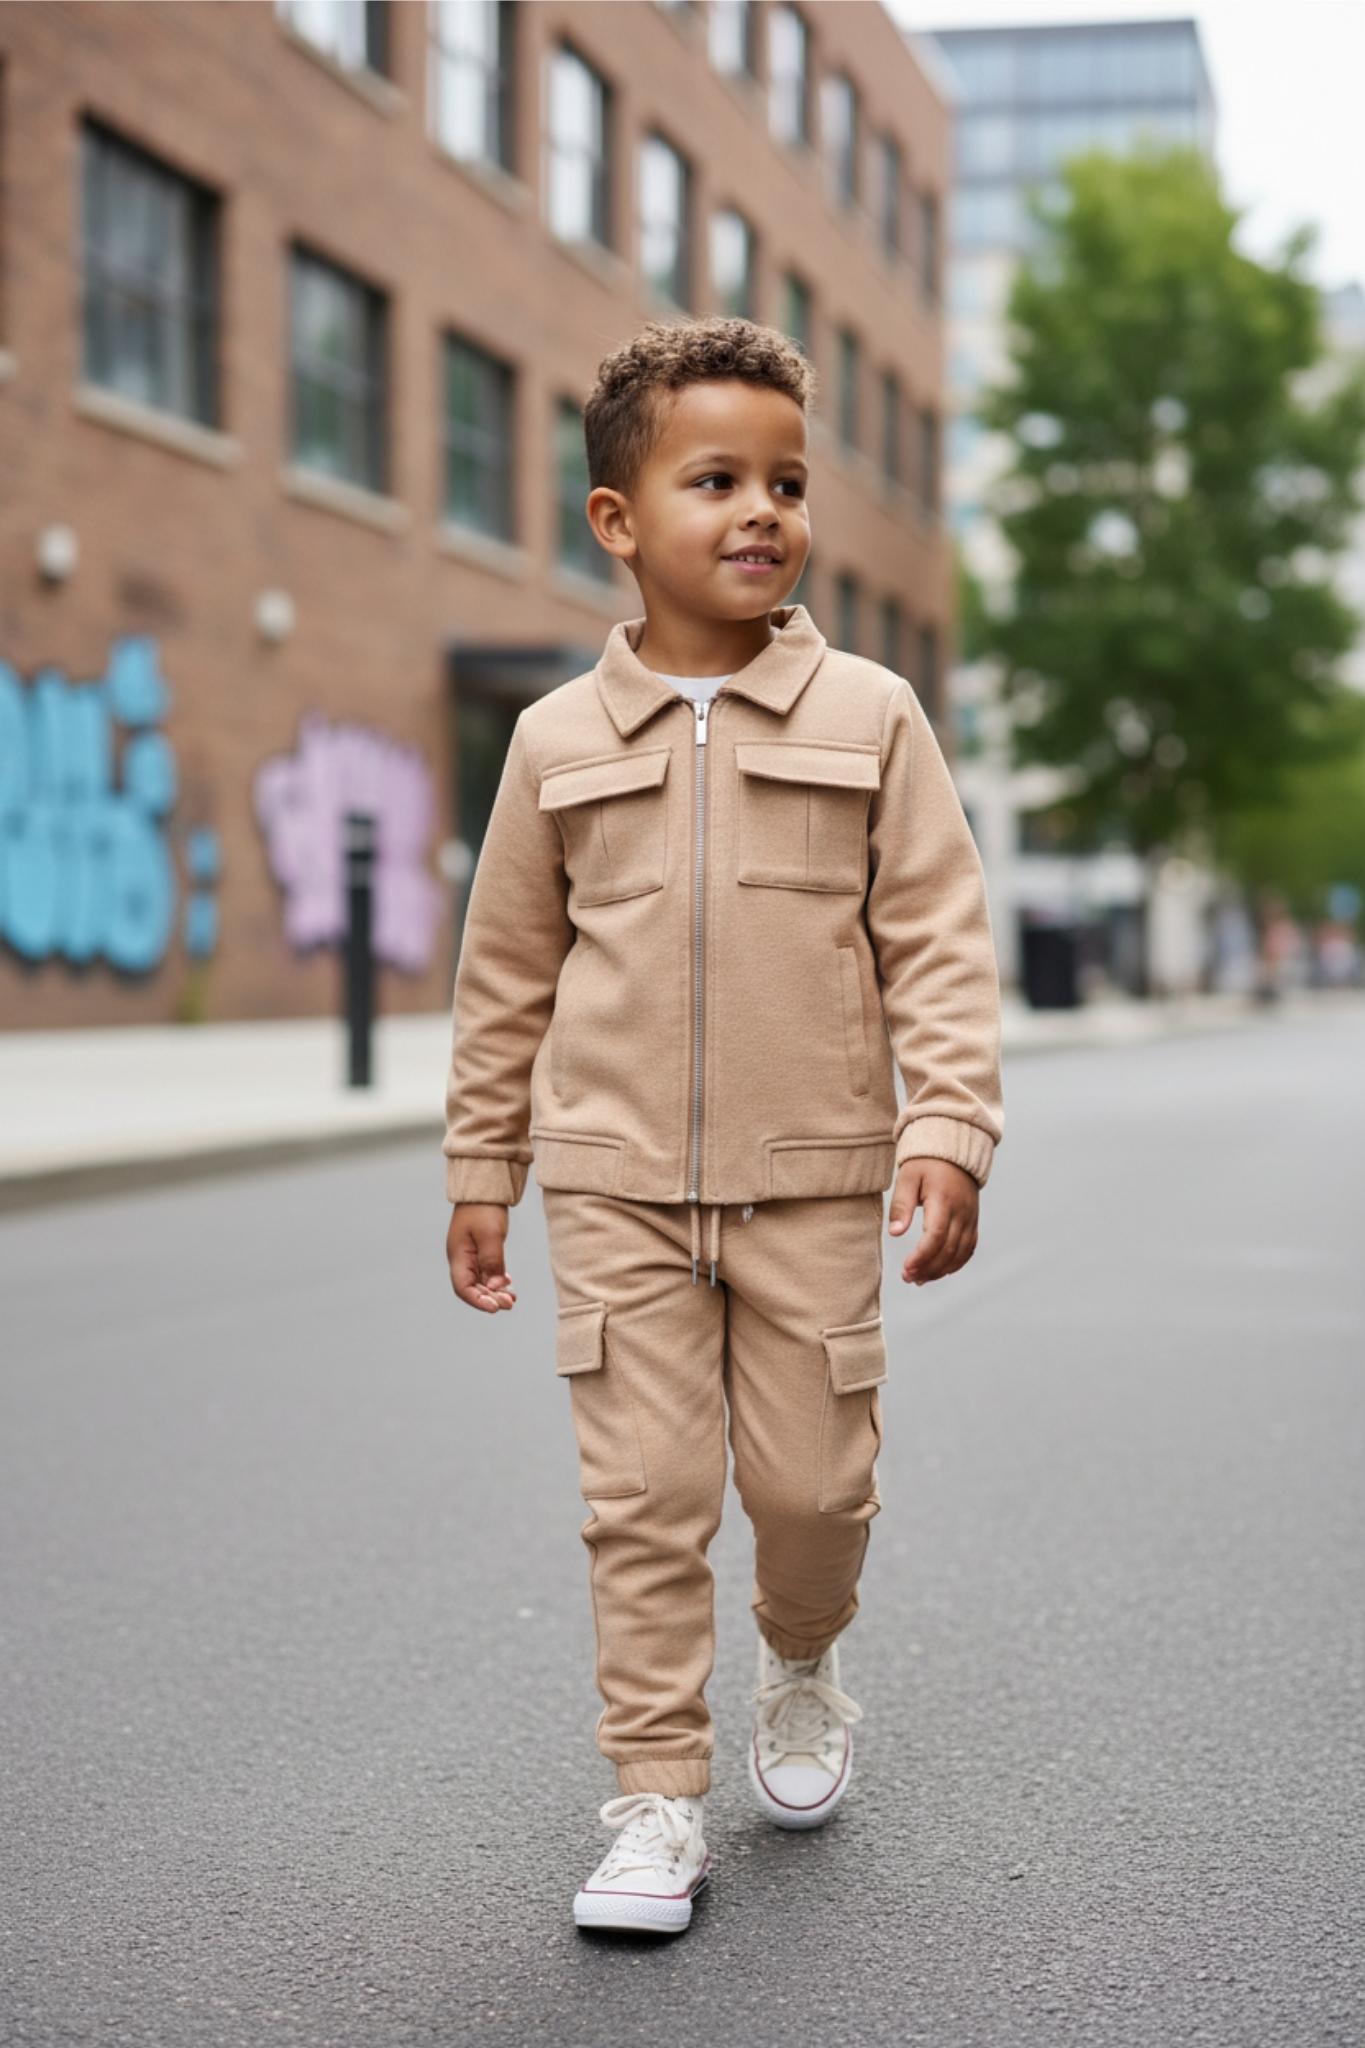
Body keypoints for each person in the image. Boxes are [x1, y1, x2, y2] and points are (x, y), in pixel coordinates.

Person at [442, 315, 1004, 1936]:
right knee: (641, 1499)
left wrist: (946, 1125)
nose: (763, 510)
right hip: (613, 1190)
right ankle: (653, 1801)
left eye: (786, 481)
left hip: (812, 1182)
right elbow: (504, 975)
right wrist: (484, 1165)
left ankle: (803, 1659)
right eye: (716, 479)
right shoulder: (554, 744)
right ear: (617, 521)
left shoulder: (874, 715)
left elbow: (943, 941)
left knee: (812, 1494)